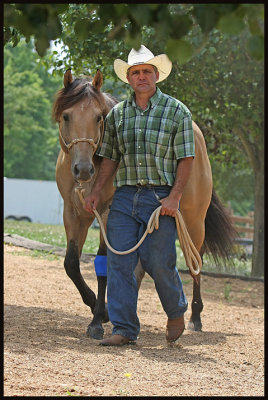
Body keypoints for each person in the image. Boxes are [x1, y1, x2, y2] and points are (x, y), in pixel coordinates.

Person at [84, 45, 195, 346]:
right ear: (129, 79)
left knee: (159, 262)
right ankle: (123, 329)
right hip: (124, 196)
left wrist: (174, 197)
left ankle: (175, 310)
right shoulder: (118, 115)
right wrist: (96, 191)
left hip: (160, 198)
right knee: (119, 262)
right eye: (136, 72)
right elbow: (109, 158)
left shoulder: (177, 111)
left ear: (156, 75)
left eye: (147, 71)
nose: (142, 76)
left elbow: (186, 158)